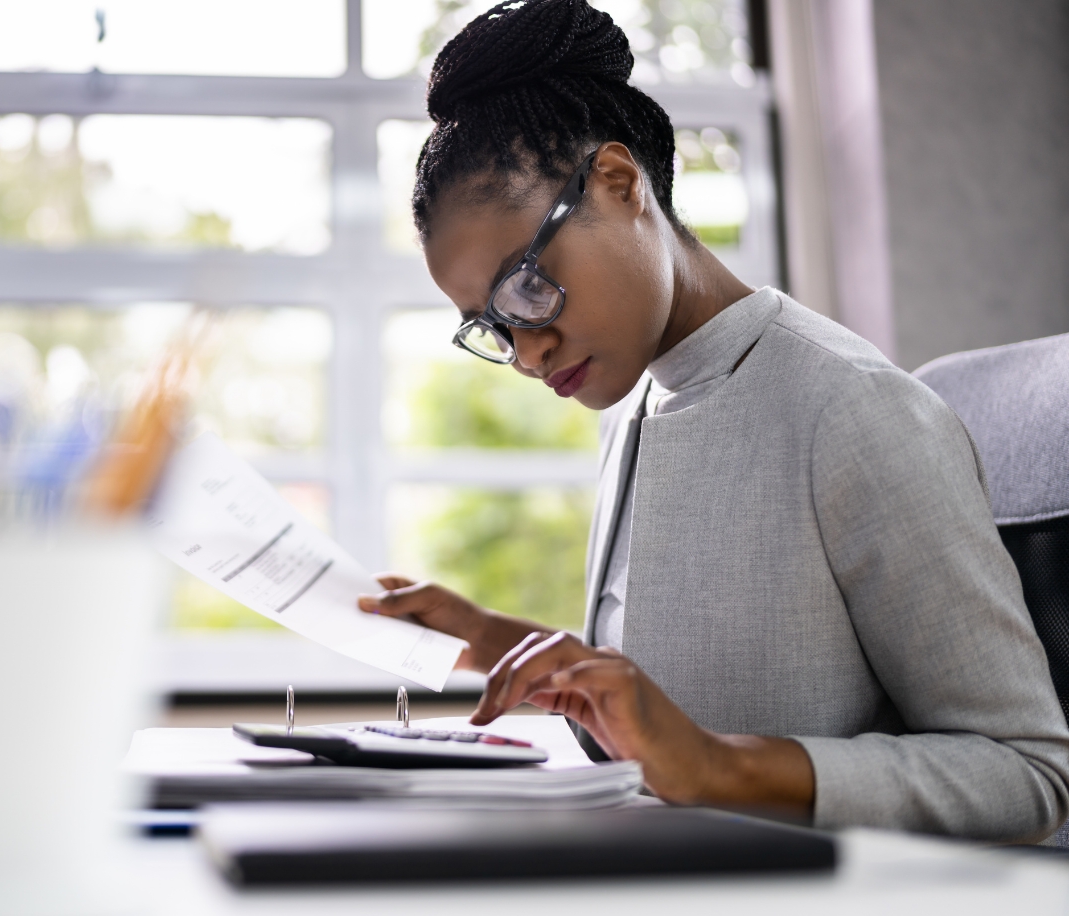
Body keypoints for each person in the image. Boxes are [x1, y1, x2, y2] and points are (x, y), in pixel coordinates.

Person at [359, 0, 1069, 843]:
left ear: (620, 186)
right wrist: (489, 638)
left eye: (524, 286)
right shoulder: (637, 404)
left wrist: (717, 766)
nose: (523, 351)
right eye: (493, 323)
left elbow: (1027, 774)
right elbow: (666, 710)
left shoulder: (851, 410)